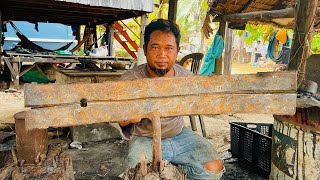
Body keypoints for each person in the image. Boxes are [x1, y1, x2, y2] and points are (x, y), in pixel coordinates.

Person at [112, 19, 224, 179]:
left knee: (214, 168)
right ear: (145, 49)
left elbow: (209, 99)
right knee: (140, 174)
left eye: (169, 48)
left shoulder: (187, 78)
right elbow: (116, 118)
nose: (162, 55)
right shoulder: (129, 80)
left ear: (177, 50)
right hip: (144, 138)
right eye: (155, 47)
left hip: (179, 134)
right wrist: (131, 115)